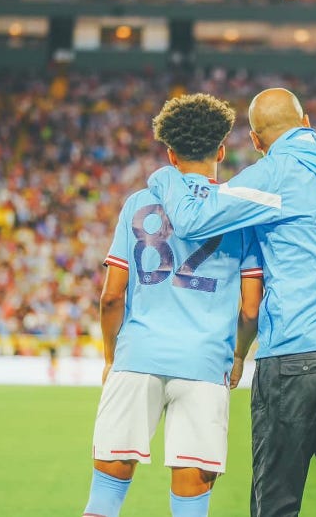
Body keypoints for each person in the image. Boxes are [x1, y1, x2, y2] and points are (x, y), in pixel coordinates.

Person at [148, 88, 316, 516]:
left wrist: (164, 177)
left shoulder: (277, 174)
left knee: (276, 502)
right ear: (308, 122)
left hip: (297, 357)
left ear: (257, 142)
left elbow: (193, 219)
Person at [82, 93, 264, 517]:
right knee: (190, 501)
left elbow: (111, 296)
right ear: (220, 150)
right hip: (203, 364)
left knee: (104, 497)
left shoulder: (138, 205)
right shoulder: (240, 214)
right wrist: (238, 357)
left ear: (169, 153)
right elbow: (251, 309)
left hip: (138, 357)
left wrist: (111, 357)